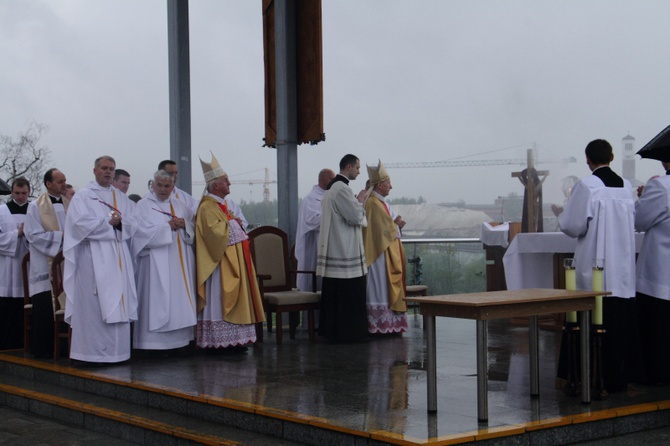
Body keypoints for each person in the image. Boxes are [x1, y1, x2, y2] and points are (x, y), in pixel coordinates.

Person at [558, 139, 641, 391]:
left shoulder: (588, 185)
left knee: (591, 317)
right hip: (623, 271)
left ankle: (587, 374)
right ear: (612, 157)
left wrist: (563, 214)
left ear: (587, 159)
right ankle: (618, 376)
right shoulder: (626, 186)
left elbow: (573, 226)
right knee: (620, 324)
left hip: (594, 269)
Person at [63, 156, 138, 363]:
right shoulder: (83, 197)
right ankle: (89, 354)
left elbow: (134, 223)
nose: (108, 172)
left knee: (118, 302)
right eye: (104, 168)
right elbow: (78, 225)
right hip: (93, 258)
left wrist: (120, 224)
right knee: (93, 306)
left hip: (118, 257)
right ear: (95, 170)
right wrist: (108, 222)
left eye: (111, 169)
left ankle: (118, 354)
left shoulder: (121, 198)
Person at [194, 153, 265, 353]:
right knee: (219, 299)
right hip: (218, 265)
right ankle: (219, 343)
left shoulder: (222, 205)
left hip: (234, 260)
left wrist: (234, 223)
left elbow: (237, 225)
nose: (230, 184)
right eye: (226, 181)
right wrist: (234, 224)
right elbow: (213, 233)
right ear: (215, 185)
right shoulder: (207, 207)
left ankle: (236, 340)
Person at [132, 170, 196, 352]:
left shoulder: (180, 205)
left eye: (167, 186)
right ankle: (152, 345)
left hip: (179, 262)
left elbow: (192, 228)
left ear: (173, 187)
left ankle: (180, 343)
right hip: (154, 264)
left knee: (178, 301)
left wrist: (185, 225)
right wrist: (166, 227)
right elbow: (139, 234)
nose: (163, 189)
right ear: (153, 185)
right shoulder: (143, 206)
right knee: (157, 300)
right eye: (159, 185)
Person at [316, 154, 368, 343]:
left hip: (336, 248)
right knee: (348, 294)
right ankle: (349, 333)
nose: (359, 172)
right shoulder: (341, 189)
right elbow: (355, 217)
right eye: (357, 168)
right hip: (344, 250)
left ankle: (334, 332)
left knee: (335, 295)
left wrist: (356, 203)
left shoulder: (333, 188)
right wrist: (361, 201)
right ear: (348, 167)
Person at [24, 168, 69, 358]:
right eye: (59, 181)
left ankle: (66, 347)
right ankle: (45, 349)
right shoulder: (36, 206)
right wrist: (61, 238)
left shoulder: (70, 204)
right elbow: (32, 235)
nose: (63, 184)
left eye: (65, 181)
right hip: (45, 263)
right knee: (46, 307)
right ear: (48, 183)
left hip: (67, 264)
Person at [634, 159, 670, 385]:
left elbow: (639, 220)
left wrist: (643, 197)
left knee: (659, 327)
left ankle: (659, 374)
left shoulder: (661, 186)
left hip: (661, 270)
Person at [362, 159, 408, 334]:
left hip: (386, 252)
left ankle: (389, 325)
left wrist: (396, 224)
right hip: (378, 255)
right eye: (388, 183)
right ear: (380, 185)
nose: (391, 186)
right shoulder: (373, 203)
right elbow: (383, 229)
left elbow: (389, 225)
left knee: (385, 288)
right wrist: (395, 224)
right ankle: (380, 325)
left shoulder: (380, 202)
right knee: (380, 288)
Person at [295, 168, 335, 330]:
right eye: (332, 179)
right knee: (314, 287)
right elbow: (313, 220)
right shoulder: (311, 199)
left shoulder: (328, 197)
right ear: (324, 180)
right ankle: (311, 325)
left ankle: (325, 324)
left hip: (327, 247)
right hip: (313, 250)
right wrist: (333, 213)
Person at [0, 177, 30, 350]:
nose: (20, 197)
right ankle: (5, 343)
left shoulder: (34, 210)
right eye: (17, 193)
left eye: (24, 193)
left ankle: (24, 342)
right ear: (12, 192)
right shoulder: (2, 211)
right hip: (6, 265)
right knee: (7, 307)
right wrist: (17, 233)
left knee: (24, 304)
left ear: (29, 192)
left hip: (28, 265)